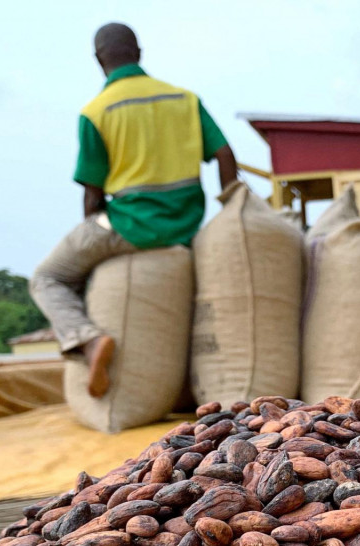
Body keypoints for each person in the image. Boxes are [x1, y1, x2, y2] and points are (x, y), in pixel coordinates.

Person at [30, 23, 237, 398]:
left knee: (47, 277)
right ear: (139, 52)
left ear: (98, 60)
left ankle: (87, 339)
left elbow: (93, 196)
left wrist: (91, 232)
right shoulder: (184, 99)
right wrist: (230, 211)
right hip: (185, 225)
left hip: (127, 227)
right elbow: (224, 155)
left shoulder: (96, 111)